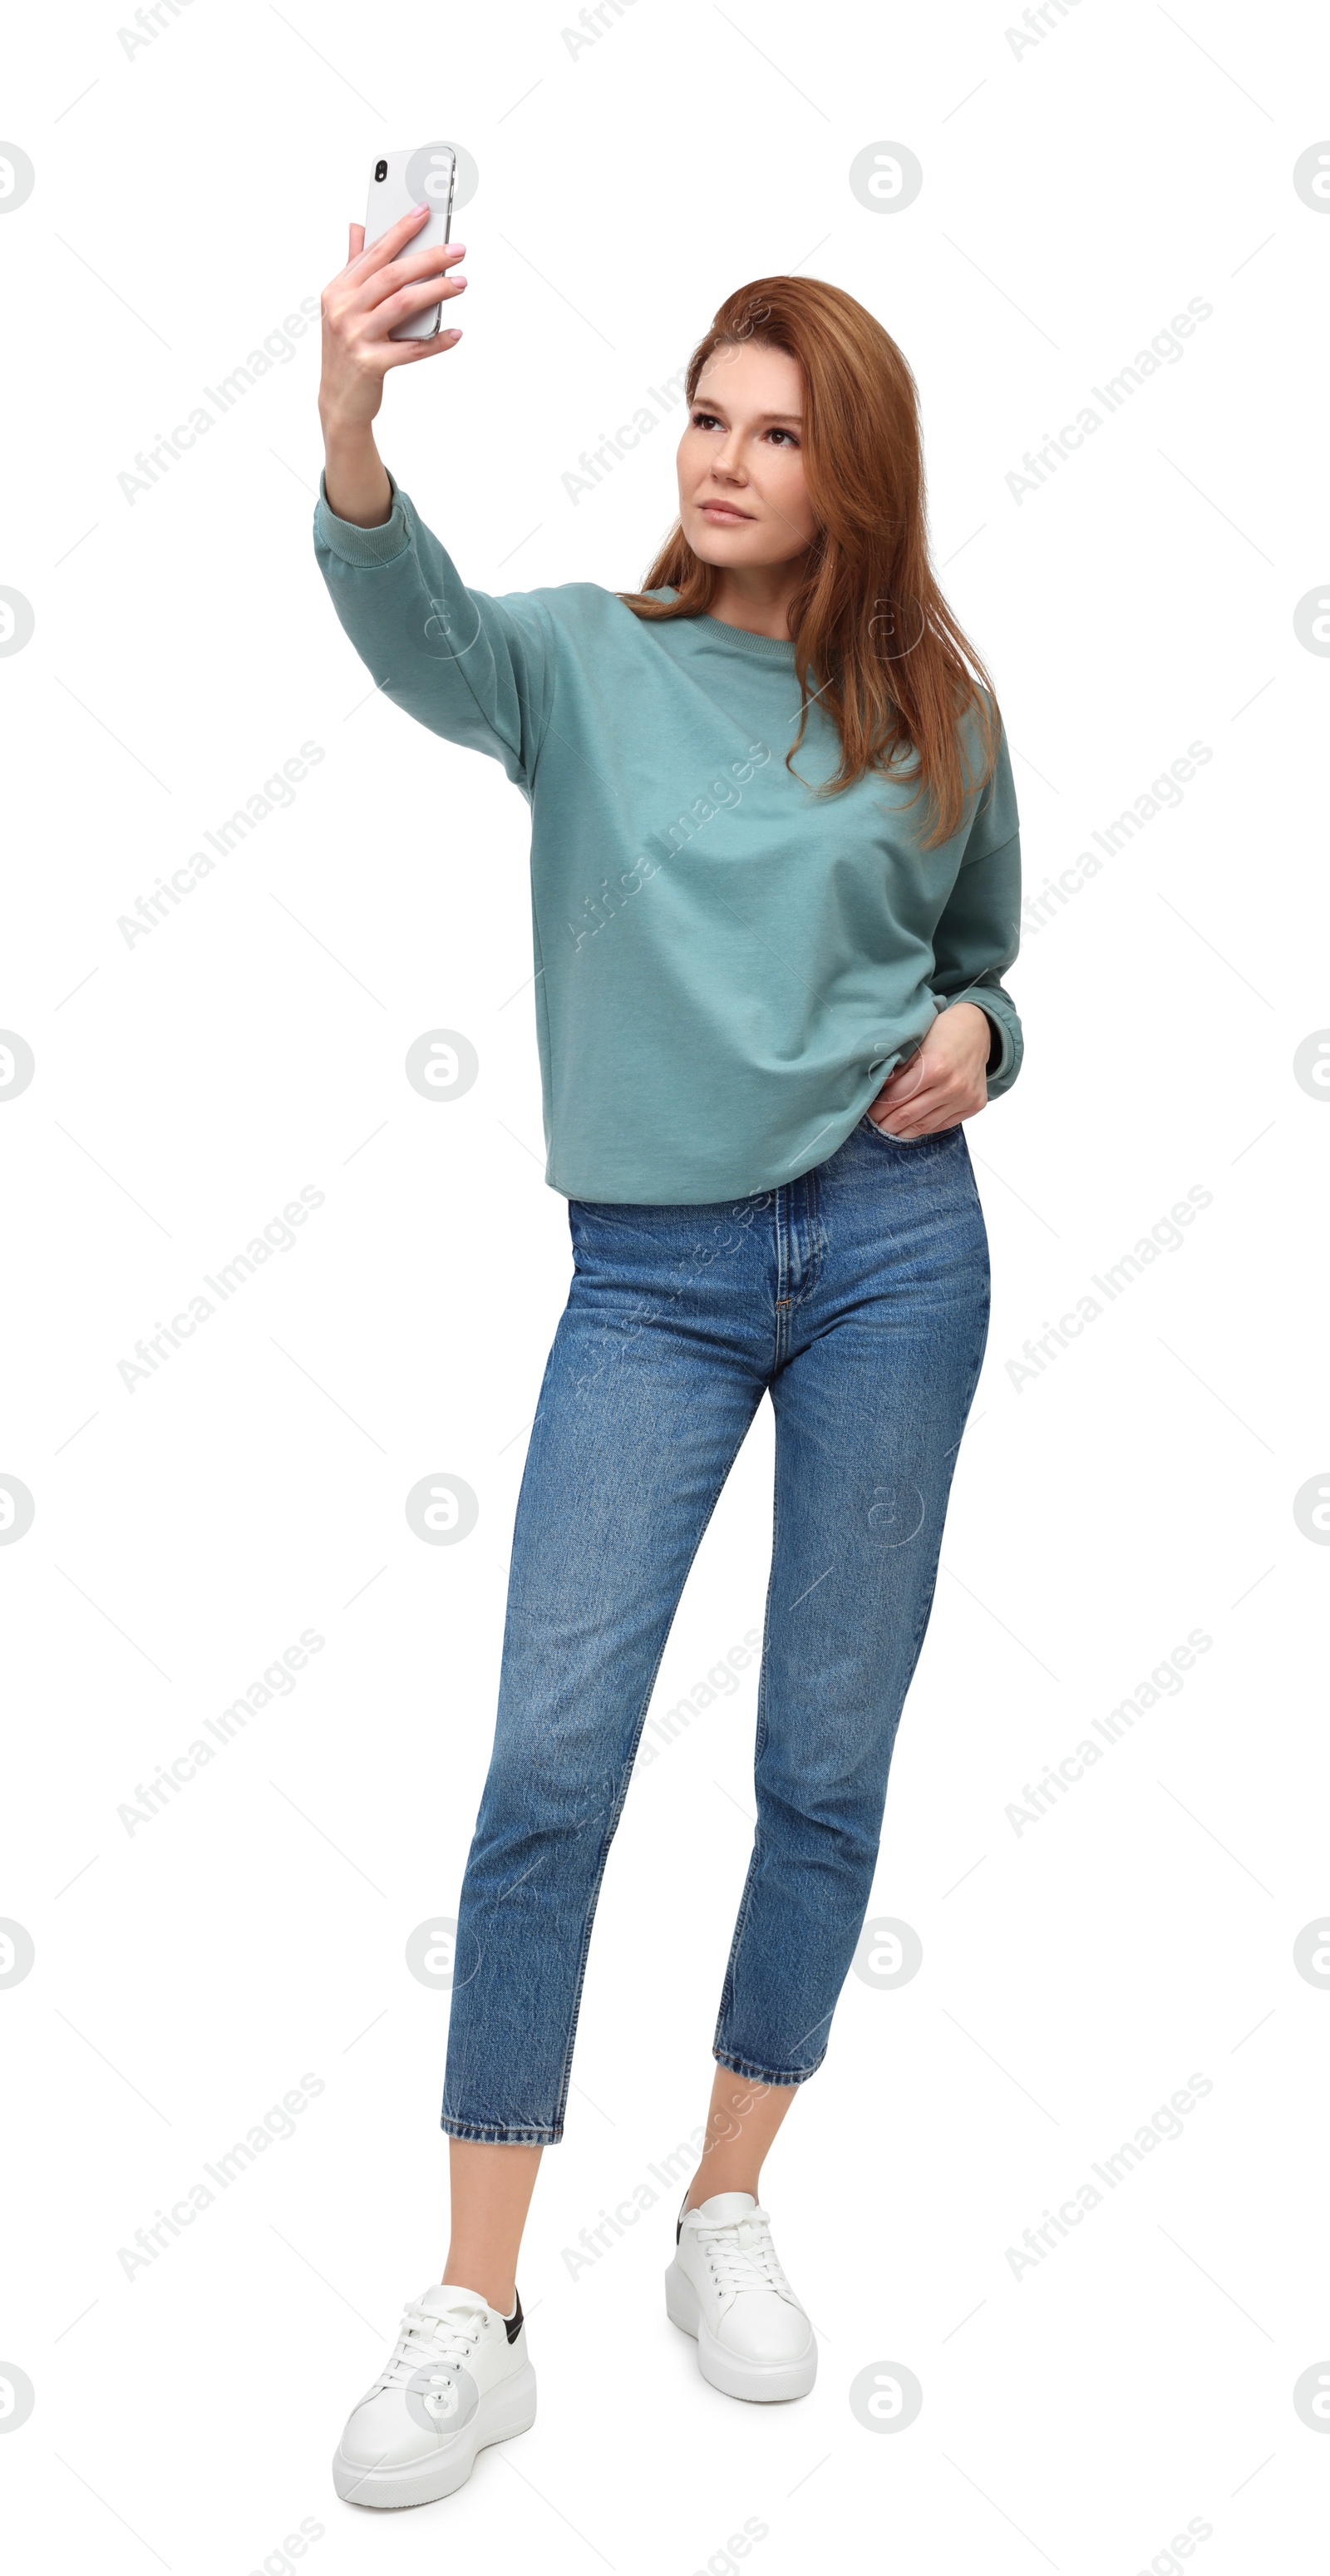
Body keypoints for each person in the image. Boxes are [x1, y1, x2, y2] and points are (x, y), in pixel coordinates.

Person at [314, 202, 1023, 2510]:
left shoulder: (939, 699)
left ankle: (725, 2196)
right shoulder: (579, 665)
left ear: (855, 470)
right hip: (653, 1276)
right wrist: (350, 415)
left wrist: (987, 1026)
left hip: (899, 1251)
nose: (723, 459)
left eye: (778, 429)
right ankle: (478, 2304)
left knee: (826, 1748)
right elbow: (402, 619)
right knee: (553, 1756)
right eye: (707, 416)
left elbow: (992, 952)